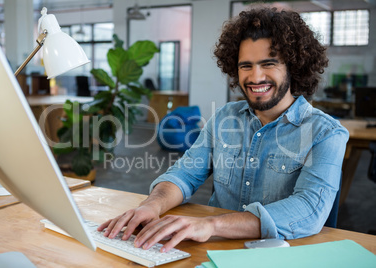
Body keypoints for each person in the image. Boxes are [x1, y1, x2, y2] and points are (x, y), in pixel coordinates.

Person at [98, 6, 349, 253]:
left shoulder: (326, 133)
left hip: (281, 256)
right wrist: (152, 205)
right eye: (245, 66)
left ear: (294, 66)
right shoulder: (224, 118)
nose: (255, 77)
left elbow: (309, 210)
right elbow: (184, 174)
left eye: (268, 63)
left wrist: (211, 225)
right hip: (215, 252)